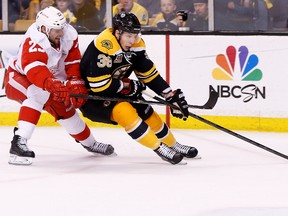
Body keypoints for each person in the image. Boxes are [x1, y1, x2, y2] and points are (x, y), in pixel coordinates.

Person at [79, 12, 198, 165]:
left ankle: (173, 145)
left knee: (145, 109)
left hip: (117, 89)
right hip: (92, 98)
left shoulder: (136, 45)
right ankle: (160, 148)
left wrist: (169, 94)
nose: (133, 40)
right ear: (117, 32)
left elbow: (149, 75)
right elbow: (99, 86)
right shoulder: (104, 45)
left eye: (135, 35)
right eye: (129, 36)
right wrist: (127, 86)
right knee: (125, 111)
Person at [4, 6, 114, 165]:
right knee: (38, 94)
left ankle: (91, 143)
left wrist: (75, 80)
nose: (61, 33)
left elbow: (72, 60)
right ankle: (19, 141)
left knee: (66, 108)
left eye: (62, 28)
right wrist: (52, 84)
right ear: (44, 29)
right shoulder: (34, 40)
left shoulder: (68, 34)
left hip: (47, 79)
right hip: (17, 77)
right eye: (56, 30)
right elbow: (35, 70)